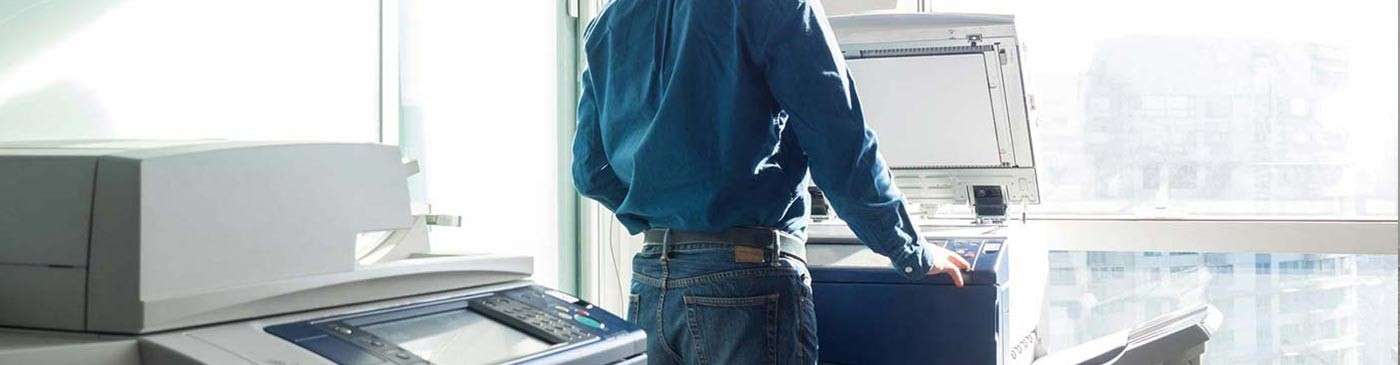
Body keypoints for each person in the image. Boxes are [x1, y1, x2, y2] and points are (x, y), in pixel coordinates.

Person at [571, 0, 971, 363]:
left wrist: (668, 205)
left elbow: (589, 171)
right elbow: (842, 149)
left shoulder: (611, 18)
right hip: (745, 283)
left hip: (653, 285)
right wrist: (912, 250)